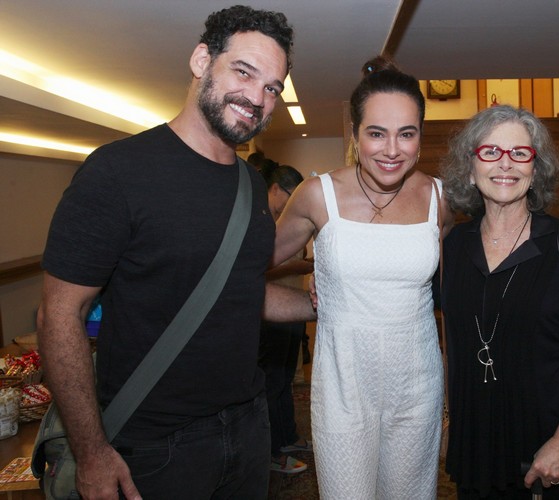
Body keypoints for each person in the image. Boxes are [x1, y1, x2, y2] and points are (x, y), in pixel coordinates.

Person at [36, 6, 315, 499]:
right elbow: (59, 315)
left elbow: (242, 293)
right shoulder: (117, 172)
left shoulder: (251, 185)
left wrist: (322, 302)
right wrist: (92, 452)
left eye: (272, 87)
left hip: (248, 429)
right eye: (244, 72)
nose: (258, 98)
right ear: (201, 60)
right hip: (153, 445)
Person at [271, 56, 453, 498]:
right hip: (343, 385)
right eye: (376, 133)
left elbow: (448, 284)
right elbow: (242, 271)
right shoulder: (317, 195)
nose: (392, 150)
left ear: (421, 136)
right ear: (355, 134)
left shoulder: (440, 198)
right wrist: (317, 299)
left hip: (417, 385)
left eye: (406, 133)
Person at [439, 104, 559, 499]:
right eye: (490, 151)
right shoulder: (452, 248)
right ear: (470, 168)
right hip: (478, 444)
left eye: (520, 153)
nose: (505, 164)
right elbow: (440, 332)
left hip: (550, 444)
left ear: (535, 171)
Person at [257, 159, 314, 474]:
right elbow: (255, 272)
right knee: (271, 380)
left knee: (284, 378)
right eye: (291, 195)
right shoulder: (260, 220)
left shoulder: (284, 219)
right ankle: (271, 451)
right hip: (270, 311)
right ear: (276, 189)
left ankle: (287, 437)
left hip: (293, 306)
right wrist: (298, 267)